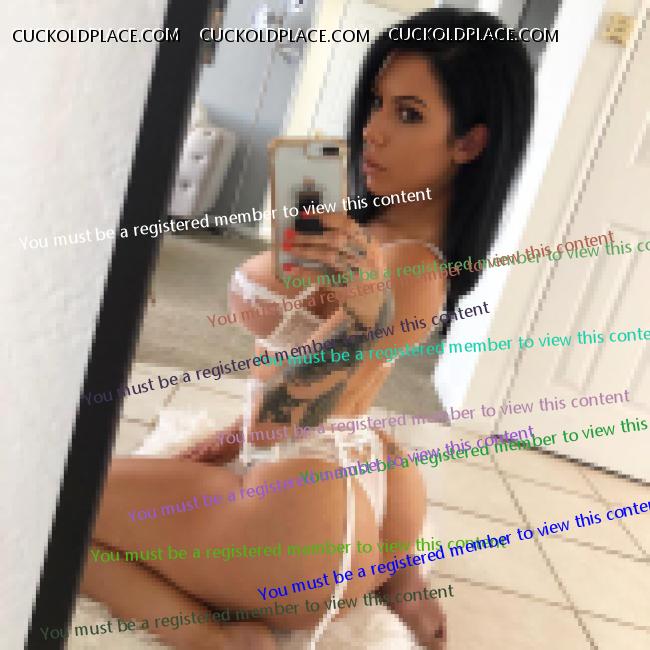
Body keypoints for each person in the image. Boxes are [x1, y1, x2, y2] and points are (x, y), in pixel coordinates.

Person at [80, 8, 534, 649]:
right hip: (348, 488)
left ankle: (212, 638)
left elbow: (286, 419)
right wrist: (234, 435)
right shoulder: (374, 231)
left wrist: (362, 317)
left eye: (408, 114)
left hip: (305, 523)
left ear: (469, 144)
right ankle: (397, 577)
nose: (372, 131)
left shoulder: (410, 272)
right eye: (376, 102)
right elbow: (319, 403)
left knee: (63, 503)